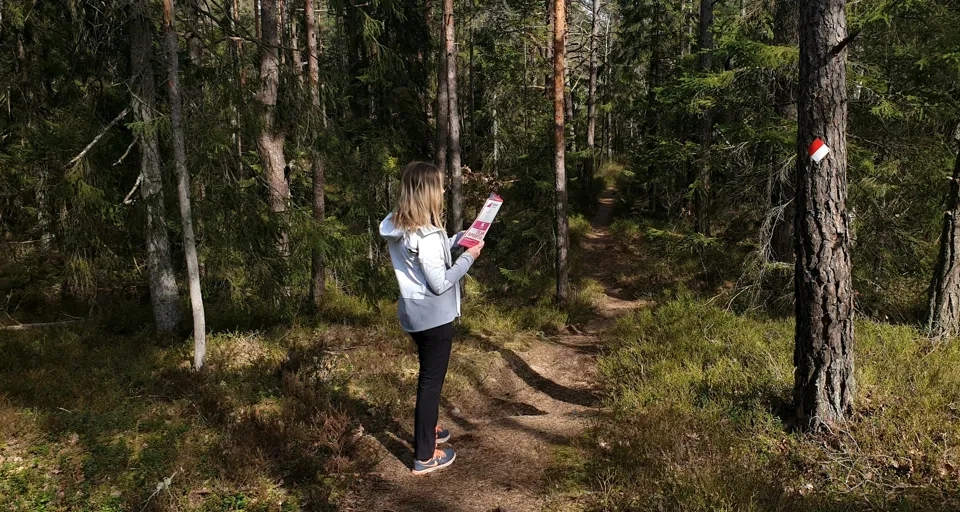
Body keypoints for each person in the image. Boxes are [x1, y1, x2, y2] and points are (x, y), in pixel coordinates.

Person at [379, 161, 485, 475]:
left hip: (413, 313)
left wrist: (457, 240)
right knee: (430, 383)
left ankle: (428, 429)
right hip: (433, 317)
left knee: (428, 378)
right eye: (439, 186)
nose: (442, 191)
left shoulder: (399, 225)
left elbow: (427, 256)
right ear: (426, 193)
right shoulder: (425, 235)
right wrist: (469, 257)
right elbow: (440, 282)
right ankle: (424, 456)